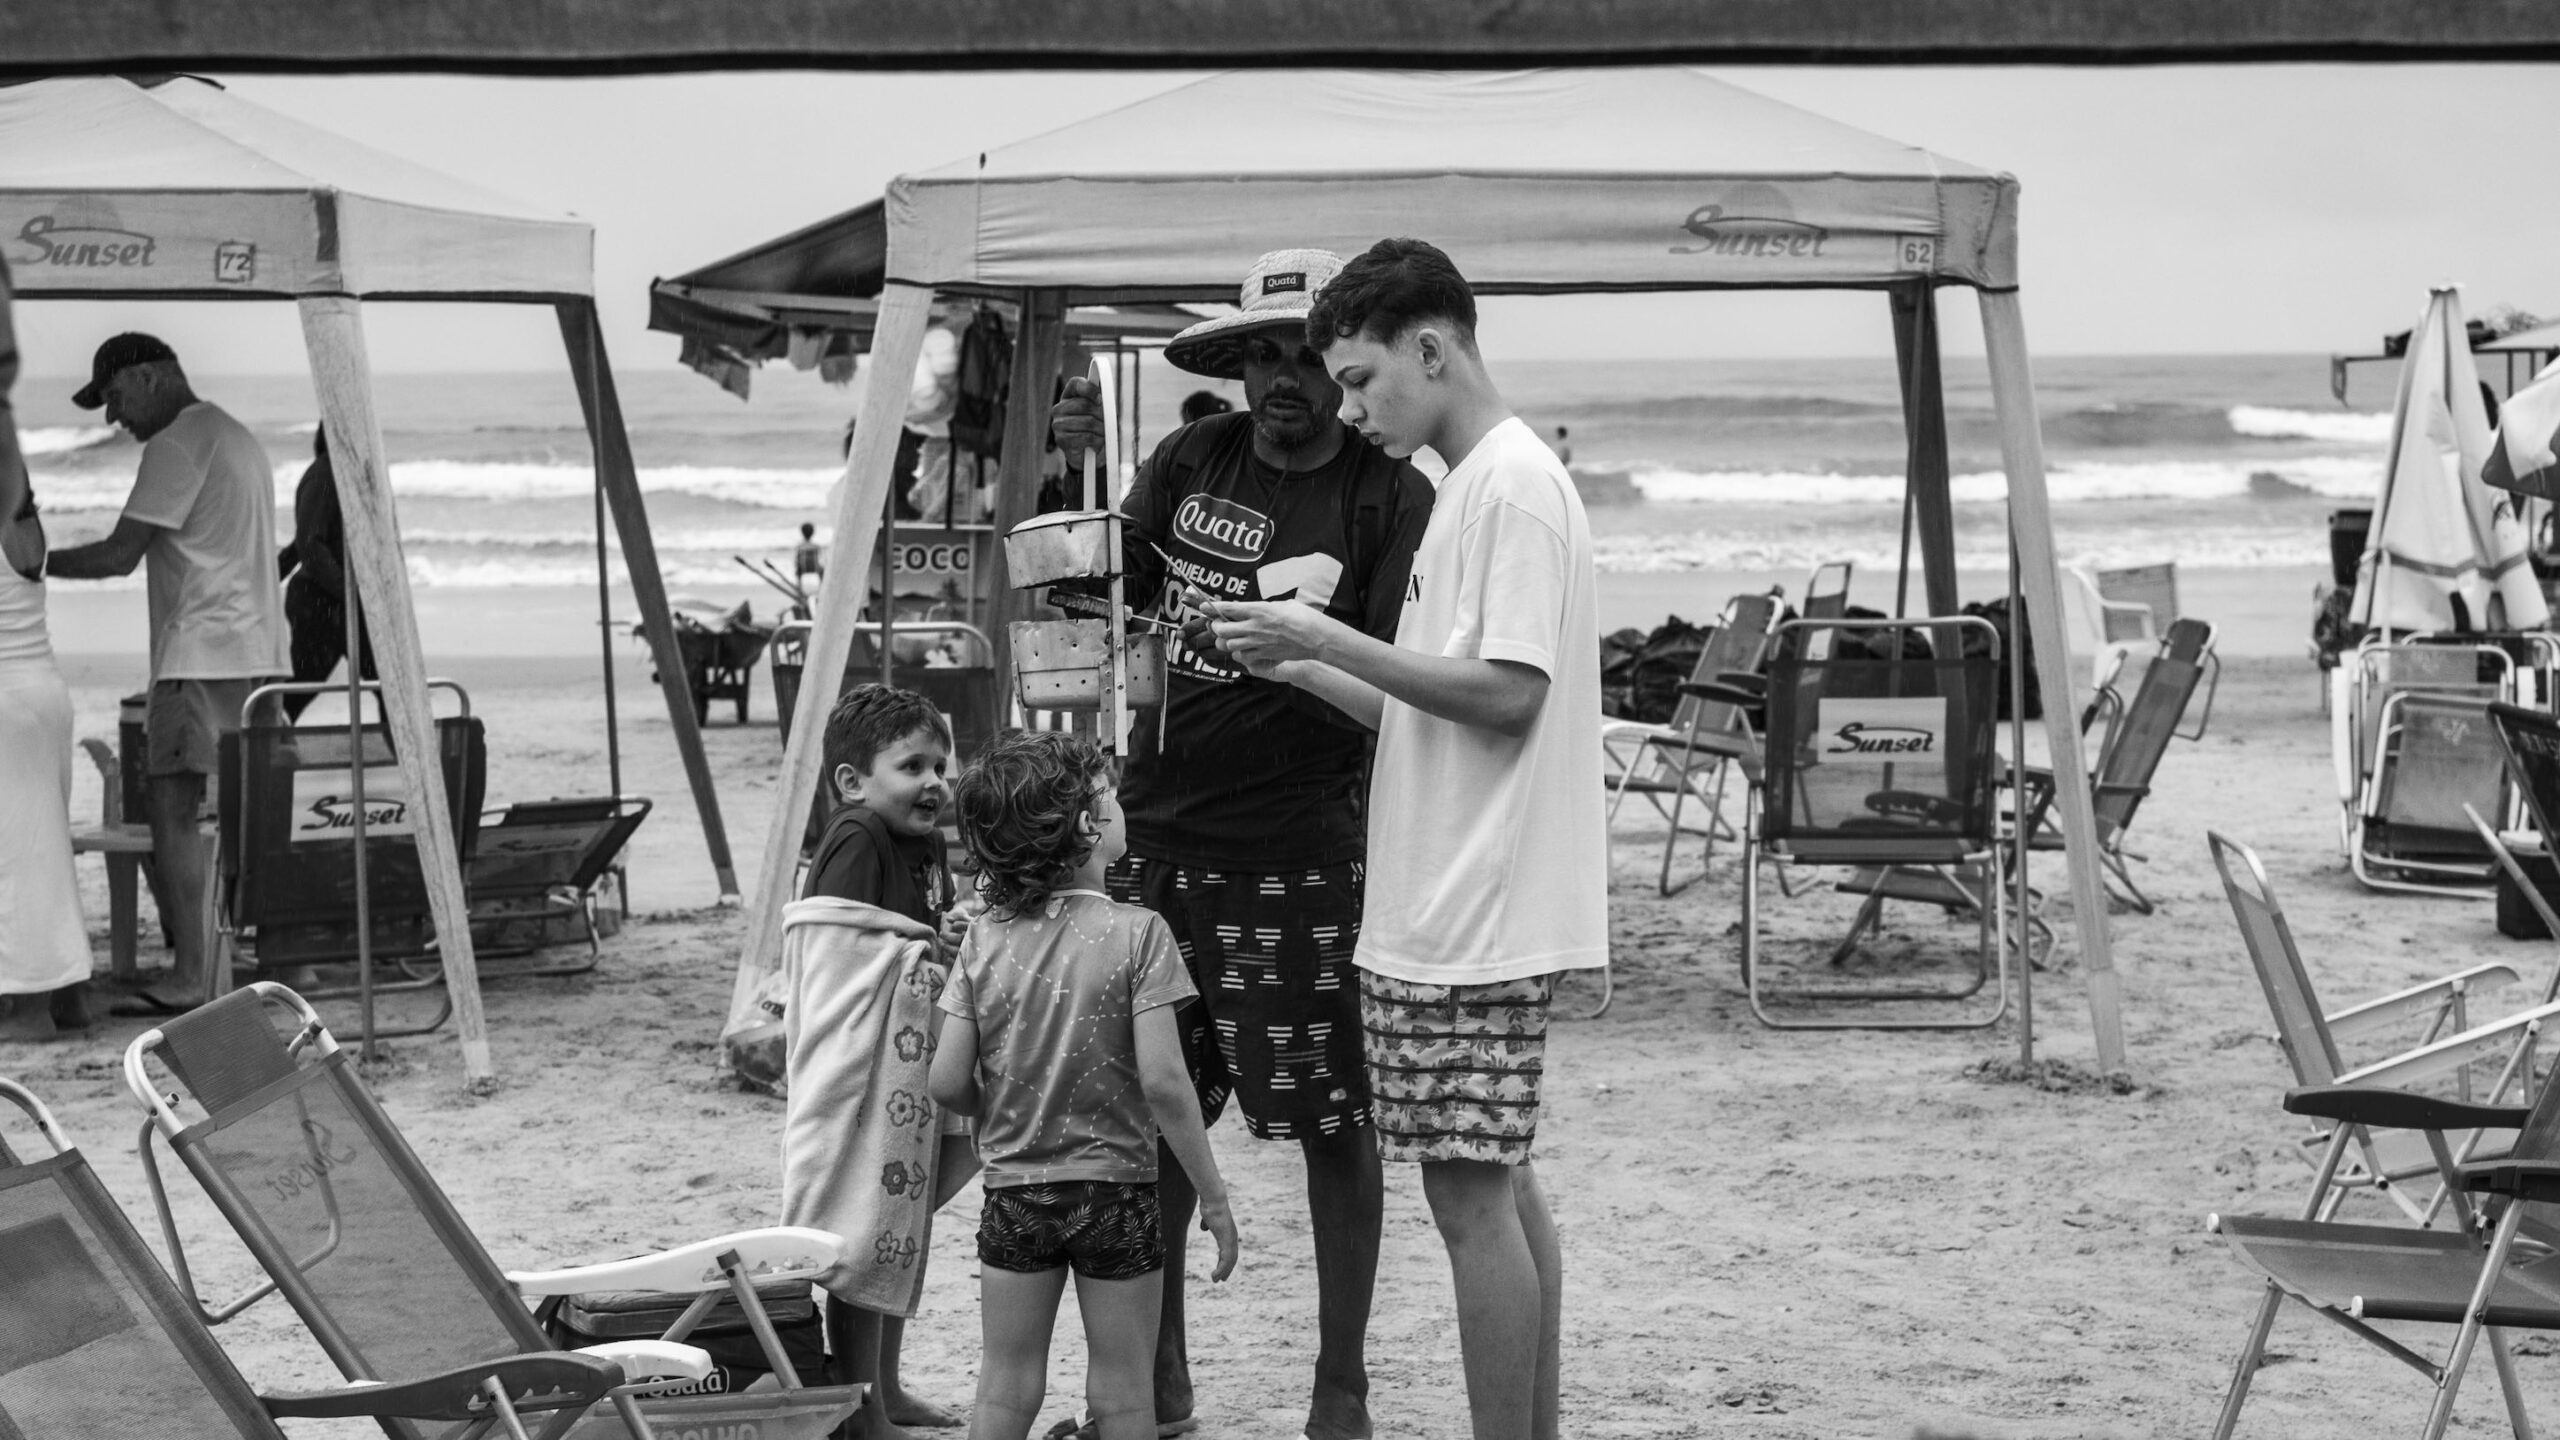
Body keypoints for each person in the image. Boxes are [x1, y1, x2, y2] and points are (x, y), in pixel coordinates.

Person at [1208, 238, 1607, 1440]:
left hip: (1475, 907)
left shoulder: (1509, 487)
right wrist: (1298, 661)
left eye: (1360, 377)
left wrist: (1325, 638)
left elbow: (1509, 696)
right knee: (1498, 1189)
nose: (1346, 408)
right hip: (1451, 899)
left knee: (1470, 1204)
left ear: (1430, 349)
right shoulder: (1472, 483)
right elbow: (1428, 713)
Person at [1049, 247, 1434, 1440]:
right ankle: (1160, 1386)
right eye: (1261, 356)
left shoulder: (1389, 498)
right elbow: (1105, 583)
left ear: (1342, 368)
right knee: (1148, 1124)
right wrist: (1071, 508)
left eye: (1307, 358)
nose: (1282, 380)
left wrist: (1297, 657)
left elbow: (1406, 692)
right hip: (1155, 846)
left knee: (1333, 1123)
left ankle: (1340, 1391)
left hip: (1301, 857)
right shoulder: (1190, 459)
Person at [928, 732, 1239, 1440]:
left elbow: (946, 1079)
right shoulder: (1140, 933)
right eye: (1110, 795)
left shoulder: (983, 939)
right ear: (1085, 826)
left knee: (1004, 1388)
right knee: (1124, 1394)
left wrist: (985, 1113)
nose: (1120, 803)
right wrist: (1213, 1196)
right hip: (1116, 1194)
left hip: (1015, 1195)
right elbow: (1166, 1083)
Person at [46, 334, 289, 1013]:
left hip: (200, 654)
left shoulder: (176, 442)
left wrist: (28, 563)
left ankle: (192, 976)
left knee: (173, 811)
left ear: (149, 377)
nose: (112, 417)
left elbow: (119, 554)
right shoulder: (235, 435)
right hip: (260, 651)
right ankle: (259, 954)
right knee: (246, 815)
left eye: (114, 397)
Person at [784, 684, 977, 1437]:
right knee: (865, 1232)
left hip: (909, 1064)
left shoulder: (922, 842)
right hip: (865, 1071)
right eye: (912, 766)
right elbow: (838, 957)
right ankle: (862, 1406)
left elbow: (910, 937)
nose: (934, 783)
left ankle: (886, 1389)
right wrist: (924, 947)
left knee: (899, 1223)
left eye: (940, 767)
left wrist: (940, 935)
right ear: (852, 781)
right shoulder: (858, 834)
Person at [0, 256, 94, 1040]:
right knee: (44, 846)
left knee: (18, 857)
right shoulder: (25, 531)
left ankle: (29, 1007)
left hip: (5, 704)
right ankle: (67, 997)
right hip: (43, 694)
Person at [275, 426, 375, 721]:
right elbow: (310, 546)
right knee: (301, 687)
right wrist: (351, 593)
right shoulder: (324, 476)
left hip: (333, 596)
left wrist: (271, 576)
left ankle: (266, 735)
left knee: (388, 684)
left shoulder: (340, 473)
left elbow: (307, 542)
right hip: (321, 600)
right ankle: (261, 738)